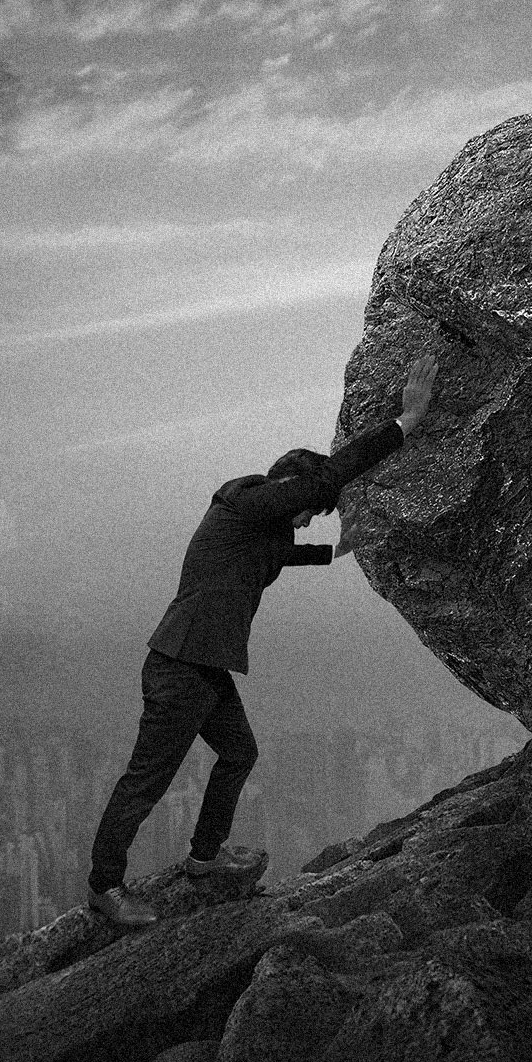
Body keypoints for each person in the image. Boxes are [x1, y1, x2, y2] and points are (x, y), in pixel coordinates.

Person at [85, 354, 439, 927]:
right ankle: (106, 886)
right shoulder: (244, 501)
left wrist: (334, 549)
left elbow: (285, 552)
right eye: (307, 511)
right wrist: (406, 423)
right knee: (147, 779)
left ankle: (202, 859)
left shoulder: (259, 530)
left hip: (202, 667)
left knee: (239, 752)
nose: (305, 521)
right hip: (180, 666)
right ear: (289, 489)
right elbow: (321, 484)